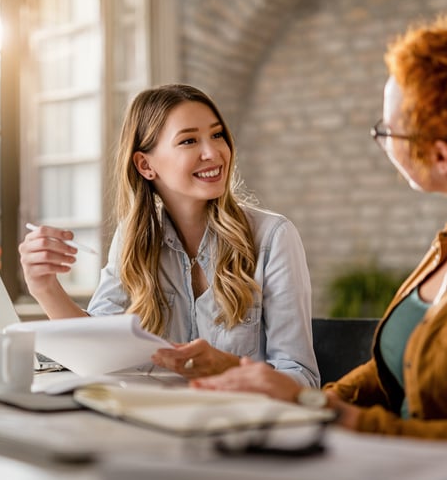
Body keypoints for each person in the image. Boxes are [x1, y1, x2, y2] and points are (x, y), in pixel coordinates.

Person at [192, 13, 447, 479]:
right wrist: (288, 398)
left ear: (441, 155)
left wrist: (317, 409)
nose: (381, 140)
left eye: (387, 130)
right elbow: (391, 372)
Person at [19, 84, 319, 387]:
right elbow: (95, 351)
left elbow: (302, 380)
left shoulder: (273, 237)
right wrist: (45, 288)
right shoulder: (134, 239)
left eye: (217, 135)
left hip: (239, 427)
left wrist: (225, 367)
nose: (213, 152)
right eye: (189, 140)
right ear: (145, 165)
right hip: (153, 423)